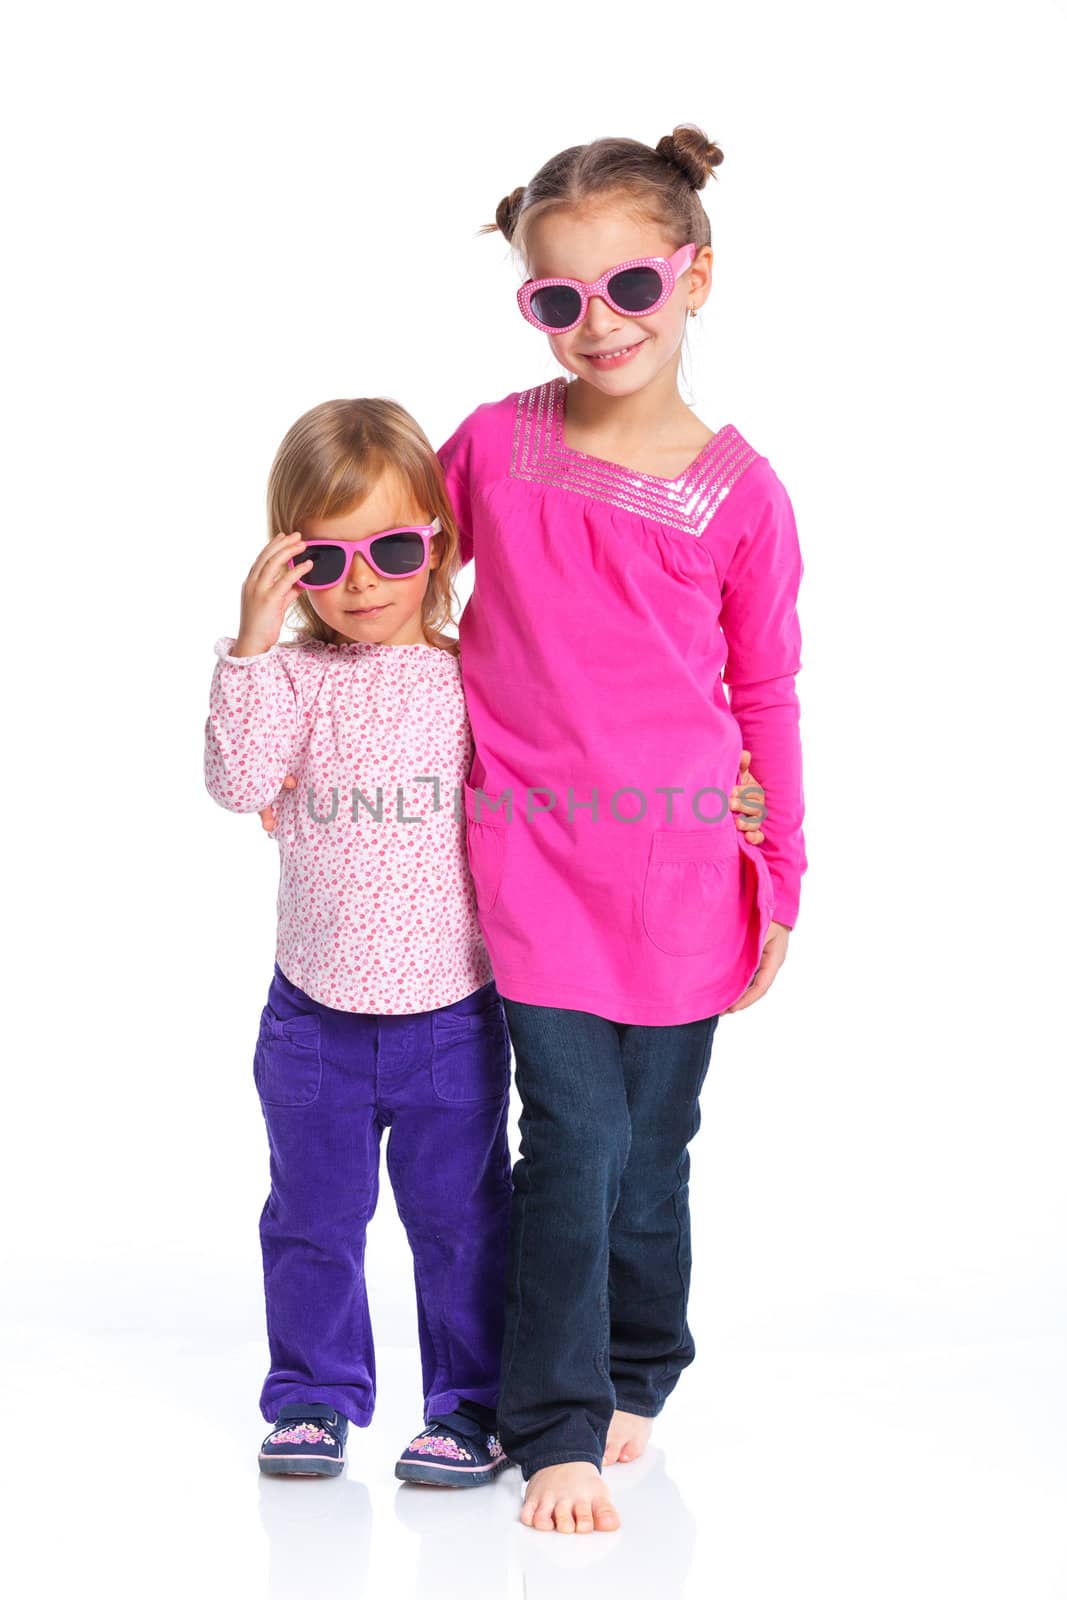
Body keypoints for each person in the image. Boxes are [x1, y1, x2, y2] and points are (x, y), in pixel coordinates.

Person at [430, 122, 808, 1533]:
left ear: (691, 279)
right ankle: (552, 1423)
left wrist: (779, 875)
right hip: (531, 859)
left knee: (656, 1149)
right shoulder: (491, 446)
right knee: (571, 1140)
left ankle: (642, 1362)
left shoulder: (738, 495)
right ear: (527, 302)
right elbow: (409, 595)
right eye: (558, 299)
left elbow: (761, 689)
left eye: (630, 289)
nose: (597, 326)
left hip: (681, 872)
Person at [202, 397, 516, 1487]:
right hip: (314, 1018)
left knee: (464, 1226)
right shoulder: (285, 679)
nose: (362, 581)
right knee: (310, 1223)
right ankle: (311, 1397)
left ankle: (469, 1406)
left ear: (435, 542)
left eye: (390, 547)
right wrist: (247, 645)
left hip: (450, 1013)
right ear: (287, 565)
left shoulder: (473, 672)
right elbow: (236, 783)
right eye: (325, 559)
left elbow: (554, 775)